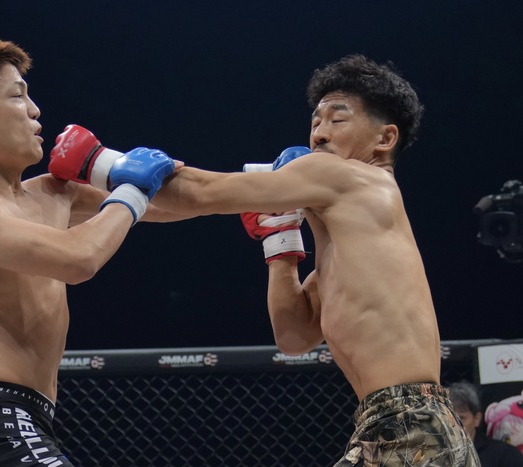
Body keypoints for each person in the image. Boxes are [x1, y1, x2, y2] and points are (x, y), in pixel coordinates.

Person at [55, 54, 480, 465]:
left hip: (410, 426)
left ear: (384, 139)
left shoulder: (349, 176)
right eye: (315, 121)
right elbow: (293, 337)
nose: (319, 134)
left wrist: (98, 162)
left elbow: (202, 193)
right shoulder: (351, 250)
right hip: (404, 424)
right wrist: (281, 242)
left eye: (337, 119)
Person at [0, 38, 182, 466]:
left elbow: (169, 206)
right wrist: (133, 188)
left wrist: (275, 190)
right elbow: (79, 258)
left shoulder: (51, 195)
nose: (35, 109)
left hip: (24, 421)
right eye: (17, 95)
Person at [449, 381, 523, 466]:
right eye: (448, 418)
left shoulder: (505, 455)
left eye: (461, 418)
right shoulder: (438, 456)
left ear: (476, 419)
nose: (453, 424)